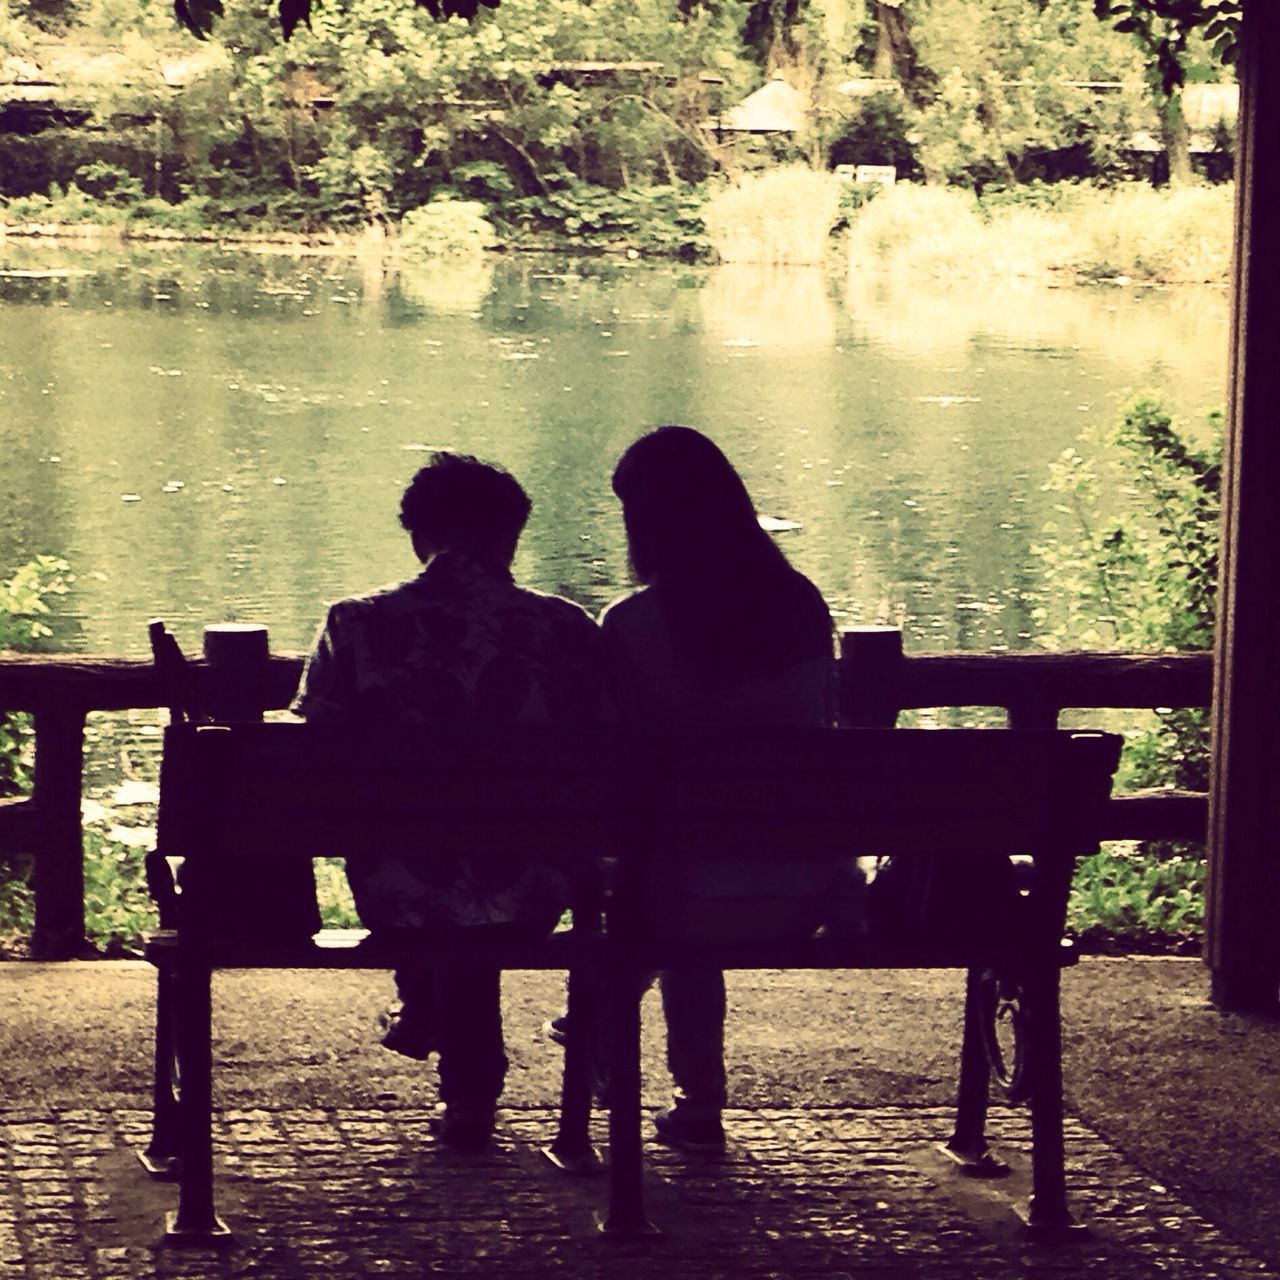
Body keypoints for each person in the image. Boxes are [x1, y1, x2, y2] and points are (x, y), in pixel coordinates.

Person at [293, 452, 603, 1152]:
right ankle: (461, 1072)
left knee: (425, 865)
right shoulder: (567, 629)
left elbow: (314, 756)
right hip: (533, 889)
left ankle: (443, 1038)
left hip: (401, 891)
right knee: (482, 871)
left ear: (415, 535)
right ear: (511, 538)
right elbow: (609, 746)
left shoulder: (356, 625)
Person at [599, 424, 852, 1154]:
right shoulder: (801, 607)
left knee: (674, 890)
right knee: (690, 880)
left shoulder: (632, 624)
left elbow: (613, 762)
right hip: (802, 891)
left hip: (677, 897)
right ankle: (679, 1089)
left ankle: (628, 1053)